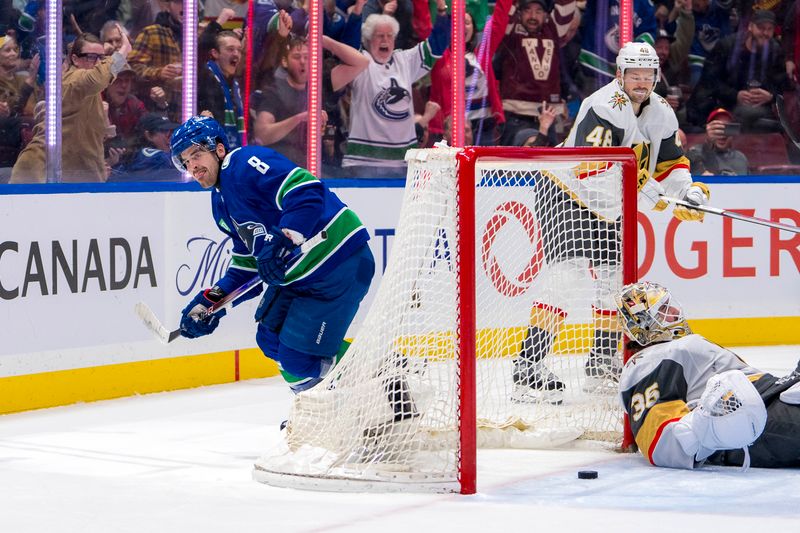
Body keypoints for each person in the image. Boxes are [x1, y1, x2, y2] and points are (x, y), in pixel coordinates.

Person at [511, 41, 711, 403]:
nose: (641, 80)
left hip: (610, 204)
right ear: (620, 75)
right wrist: (652, 194)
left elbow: (670, 165)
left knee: (613, 280)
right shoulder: (602, 106)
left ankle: (602, 362)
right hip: (566, 190)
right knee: (567, 275)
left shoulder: (662, 112)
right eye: (634, 74)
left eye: (647, 74)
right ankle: (528, 367)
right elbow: (594, 166)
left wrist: (688, 193)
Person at [169, 115, 374, 393]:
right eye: (185, 161)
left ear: (218, 149)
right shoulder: (220, 205)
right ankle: (322, 403)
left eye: (196, 154)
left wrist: (285, 238)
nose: (192, 166)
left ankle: (385, 372)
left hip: (338, 264)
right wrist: (208, 303)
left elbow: (306, 191)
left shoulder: (245, 163)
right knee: (270, 339)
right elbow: (248, 267)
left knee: (298, 358)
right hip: (300, 279)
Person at [616, 280, 800, 469]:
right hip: (752, 419)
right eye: (663, 310)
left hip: (776, 391)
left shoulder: (676, 348)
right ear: (644, 325)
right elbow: (660, 440)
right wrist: (708, 426)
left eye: (669, 305)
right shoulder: (647, 362)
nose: (675, 312)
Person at [10, 29, 132, 183]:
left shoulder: (86, 88)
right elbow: (99, 77)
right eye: (90, 57)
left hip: (69, 173)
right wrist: (124, 50)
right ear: (75, 59)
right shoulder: (76, 79)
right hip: (40, 173)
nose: (98, 63)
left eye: (101, 58)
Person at [341, 11, 450, 177]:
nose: (385, 40)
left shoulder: (404, 61)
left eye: (389, 36)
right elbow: (347, 46)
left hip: (403, 161)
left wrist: (442, 11)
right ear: (369, 40)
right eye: (380, 36)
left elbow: (437, 45)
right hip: (363, 161)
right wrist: (357, 11)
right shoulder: (362, 62)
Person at [252, 34, 369, 167]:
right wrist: (299, 118)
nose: (303, 61)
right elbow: (262, 134)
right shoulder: (275, 91)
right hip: (281, 167)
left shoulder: (320, 84)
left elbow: (361, 62)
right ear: (285, 61)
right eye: (297, 57)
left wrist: (326, 42)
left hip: (315, 168)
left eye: (307, 57)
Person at [687, 9, 788, 132]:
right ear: (750, 27)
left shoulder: (775, 51)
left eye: (769, 29)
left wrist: (770, 96)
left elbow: (783, 83)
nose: (765, 33)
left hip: (760, 109)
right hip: (724, 104)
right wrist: (735, 95)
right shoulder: (727, 46)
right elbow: (709, 81)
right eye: (761, 28)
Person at [493, 0, 578, 146]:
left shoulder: (552, 28)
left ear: (546, 15)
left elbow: (566, 5)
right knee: (517, 164)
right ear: (519, 12)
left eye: (538, 11)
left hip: (548, 114)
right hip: (516, 115)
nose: (533, 16)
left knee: (548, 165)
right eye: (527, 10)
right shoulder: (511, 29)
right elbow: (504, 9)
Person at [127, 0, 184, 121]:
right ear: (168, 6)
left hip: (186, 110)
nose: (185, 6)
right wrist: (158, 73)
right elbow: (132, 67)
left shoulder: (196, 36)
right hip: (155, 111)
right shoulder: (152, 33)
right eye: (179, 2)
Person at [109, 112, 182, 182]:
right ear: (149, 135)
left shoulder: (134, 155)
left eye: (170, 131)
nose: (169, 137)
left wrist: (116, 165)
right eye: (163, 131)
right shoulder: (159, 158)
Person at [686, 107, 749, 175]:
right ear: (708, 130)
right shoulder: (695, 153)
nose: (722, 134)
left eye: (726, 128)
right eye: (717, 128)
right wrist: (709, 143)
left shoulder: (740, 158)